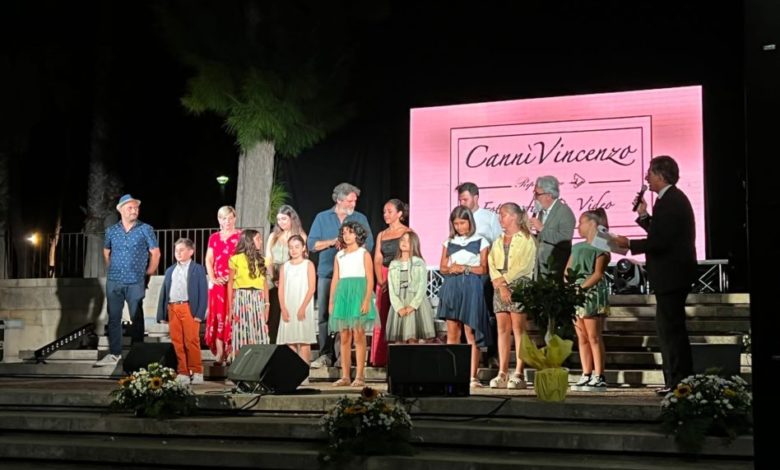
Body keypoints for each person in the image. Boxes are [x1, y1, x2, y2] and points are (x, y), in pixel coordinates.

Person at [612, 156, 696, 395]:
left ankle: (679, 383)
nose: (646, 177)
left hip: (672, 276)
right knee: (668, 331)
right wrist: (643, 216)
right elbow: (660, 233)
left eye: (649, 173)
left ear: (660, 175)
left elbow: (660, 241)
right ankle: (675, 382)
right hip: (671, 277)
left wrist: (629, 243)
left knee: (671, 333)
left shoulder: (671, 201)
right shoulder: (668, 200)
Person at [307, 182, 374, 369]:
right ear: (339, 200)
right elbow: (312, 244)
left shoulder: (360, 218)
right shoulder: (322, 217)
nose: (353, 204)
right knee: (324, 315)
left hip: (351, 277)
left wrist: (350, 246)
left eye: (355, 201)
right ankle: (325, 354)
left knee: (345, 316)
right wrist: (332, 242)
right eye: (350, 200)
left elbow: (369, 243)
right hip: (327, 273)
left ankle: (340, 358)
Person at [95, 194, 160, 367]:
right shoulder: (111, 231)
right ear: (121, 210)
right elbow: (106, 251)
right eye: (130, 208)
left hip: (135, 281)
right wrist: (111, 268)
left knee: (136, 317)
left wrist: (148, 273)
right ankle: (115, 354)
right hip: (114, 281)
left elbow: (155, 253)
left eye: (136, 208)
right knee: (114, 318)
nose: (134, 210)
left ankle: (137, 353)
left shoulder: (145, 229)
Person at [436, 206, 491, 388]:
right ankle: (452, 374)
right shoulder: (448, 242)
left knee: (470, 331)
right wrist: (450, 269)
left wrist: (465, 268)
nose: (459, 227)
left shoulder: (481, 241)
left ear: (470, 222)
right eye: (456, 223)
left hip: (471, 286)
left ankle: (472, 376)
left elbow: (484, 268)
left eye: (462, 223)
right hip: (452, 285)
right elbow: (442, 267)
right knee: (453, 332)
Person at [487, 203, 536, 390]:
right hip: (500, 286)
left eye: (504, 215)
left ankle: (519, 372)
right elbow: (491, 262)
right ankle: (503, 372)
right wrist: (499, 283)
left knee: (518, 328)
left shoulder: (526, 239)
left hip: (518, 285)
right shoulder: (498, 240)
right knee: (502, 329)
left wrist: (505, 281)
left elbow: (525, 265)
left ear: (514, 217)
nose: (500, 218)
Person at [456, 182, 502, 367]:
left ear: (476, 197)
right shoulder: (458, 217)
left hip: (483, 274)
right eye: (460, 200)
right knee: (464, 315)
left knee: (489, 313)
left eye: (465, 199)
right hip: (463, 275)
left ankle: (491, 354)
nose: (462, 203)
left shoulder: (489, 217)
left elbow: (498, 244)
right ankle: (466, 358)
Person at [567, 209, 611, 392]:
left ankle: (599, 375)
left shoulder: (602, 247)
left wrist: (581, 288)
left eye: (581, 223)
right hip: (575, 292)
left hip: (591, 292)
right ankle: (586, 373)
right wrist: (569, 285)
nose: (579, 227)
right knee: (582, 336)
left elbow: (598, 273)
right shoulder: (576, 247)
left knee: (593, 336)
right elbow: (568, 269)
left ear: (592, 224)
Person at [329, 221, 377, 387]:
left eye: (350, 232)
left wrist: (366, 300)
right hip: (343, 295)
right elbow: (335, 279)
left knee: (358, 334)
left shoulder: (363, 253)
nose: (347, 235)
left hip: (358, 294)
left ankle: (360, 375)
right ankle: (345, 376)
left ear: (357, 234)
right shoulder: (339, 256)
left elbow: (370, 278)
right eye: (344, 233)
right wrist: (331, 301)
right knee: (344, 336)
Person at [156, 238, 208, 385]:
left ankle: (196, 371)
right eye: (176, 250)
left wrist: (200, 313)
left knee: (191, 341)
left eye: (181, 250)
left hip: (189, 308)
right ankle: (183, 371)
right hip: (173, 308)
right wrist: (162, 314)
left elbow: (203, 293)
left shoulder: (197, 269)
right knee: (177, 342)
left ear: (191, 252)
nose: (178, 253)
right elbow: (164, 292)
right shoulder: (170, 270)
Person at [371, 198, 411, 367]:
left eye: (389, 211)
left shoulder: (407, 232)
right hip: (384, 275)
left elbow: (410, 256)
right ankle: (381, 358)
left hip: (401, 275)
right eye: (384, 212)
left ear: (399, 213)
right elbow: (377, 259)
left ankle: (401, 358)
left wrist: (396, 279)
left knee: (400, 316)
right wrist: (381, 280)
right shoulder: (382, 234)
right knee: (382, 316)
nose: (386, 215)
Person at [204, 206, 241, 365]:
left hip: (235, 282)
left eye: (230, 218)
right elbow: (209, 259)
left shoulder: (240, 236)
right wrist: (213, 278)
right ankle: (220, 352)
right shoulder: (214, 237)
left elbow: (244, 259)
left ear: (235, 219)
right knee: (218, 316)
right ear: (219, 220)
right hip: (218, 284)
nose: (228, 221)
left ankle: (232, 351)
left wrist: (232, 276)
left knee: (232, 315)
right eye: (224, 218)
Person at [266, 205, 308, 344]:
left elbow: (303, 258)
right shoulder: (273, 236)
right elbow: (268, 258)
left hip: (292, 276)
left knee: (289, 313)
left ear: (292, 218)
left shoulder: (300, 236)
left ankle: (289, 345)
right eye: (279, 219)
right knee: (274, 315)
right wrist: (274, 277)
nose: (281, 222)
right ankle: (273, 345)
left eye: (284, 219)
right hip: (274, 277)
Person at [385, 231, 436, 343]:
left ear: (414, 243)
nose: (404, 242)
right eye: (402, 240)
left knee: (413, 338)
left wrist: (413, 306)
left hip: (415, 302)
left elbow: (422, 286)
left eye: (408, 241)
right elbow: (391, 289)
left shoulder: (419, 263)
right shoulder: (393, 264)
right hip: (399, 301)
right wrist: (398, 307)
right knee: (399, 340)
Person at [227, 229, 270, 360]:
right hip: (241, 298)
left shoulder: (263, 260)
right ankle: (240, 361)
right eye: (258, 239)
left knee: (259, 329)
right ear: (249, 241)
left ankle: (258, 362)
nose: (261, 241)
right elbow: (230, 283)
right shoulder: (236, 259)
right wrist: (230, 308)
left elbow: (264, 283)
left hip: (257, 298)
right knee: (241, 330)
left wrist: (267, 304)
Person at [277, 235, 317, 365]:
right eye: (291, 247)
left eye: (297, 247)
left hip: (303, 306)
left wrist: (303, 307)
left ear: (303, 248)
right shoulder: (285, 267)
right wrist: (283, 308)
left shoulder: (308, 264)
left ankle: (304, 371)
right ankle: (292, 372)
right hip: (289, 306)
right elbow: (281, 289)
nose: (294, 250)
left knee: (304, 340)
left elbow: (311, 288)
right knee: (290, 342)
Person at [530, 176, 576, 280]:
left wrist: (542, 229)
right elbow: (543, 238)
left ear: (549, 195)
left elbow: (565, 239)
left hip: (555, 269)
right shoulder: (542, 212)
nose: (535, 197)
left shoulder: (564, 212)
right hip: (540, 268)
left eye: (537, 194)